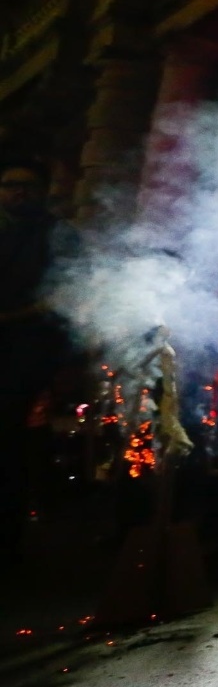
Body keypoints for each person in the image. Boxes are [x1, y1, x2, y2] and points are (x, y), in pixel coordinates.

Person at [0, 160, 78, 570]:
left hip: (30, 347)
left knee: (13, 440)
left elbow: (64, 294)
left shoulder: (58, 235)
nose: (18, 192)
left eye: (27, 185)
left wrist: (14, 317)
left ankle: (13, 535)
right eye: (10, 185)